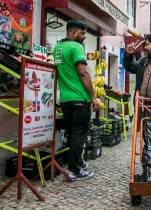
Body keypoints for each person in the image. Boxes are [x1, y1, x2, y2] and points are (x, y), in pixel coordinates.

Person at [54, 20, 98, 180]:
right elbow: (83, 73)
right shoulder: (76, 47)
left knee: (72, 133)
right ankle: (75, 170)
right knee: (79, 135)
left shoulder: (57, 48)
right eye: (82, 33)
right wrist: (93, 95)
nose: (84, 36)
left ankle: (76, 163)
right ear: (73, 33)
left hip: (65, 99)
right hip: (79, 98)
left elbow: (58, 70)